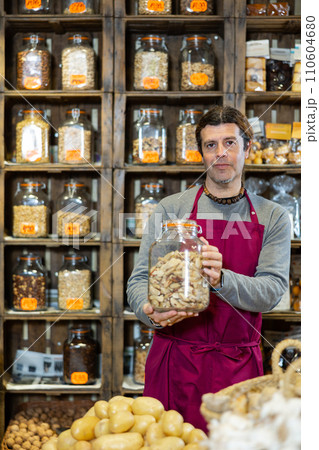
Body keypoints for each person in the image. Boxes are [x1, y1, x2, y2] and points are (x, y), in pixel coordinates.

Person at [126, 105, 291, 432]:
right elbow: (140, 280)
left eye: (230, 143)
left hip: (238, 370)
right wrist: (148, 309)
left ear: (248, 148)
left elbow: (272, 291)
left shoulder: (272, 216)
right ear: (200, 152)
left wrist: (222, 279)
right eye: (210, 145)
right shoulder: (172, 209)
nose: (221, 153)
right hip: (176, 362)